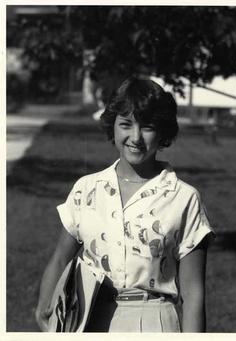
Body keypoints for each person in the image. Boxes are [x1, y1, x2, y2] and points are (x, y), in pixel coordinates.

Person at [35, 76, 215, 332]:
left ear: (163, 131)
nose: (136, 137)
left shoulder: (184, 198)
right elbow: (60, 258)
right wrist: (45, 308)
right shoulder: (87, 189)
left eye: (148, 127)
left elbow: (194, 292)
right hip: (87, 318)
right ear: (114, 127)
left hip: (154, 321)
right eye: (126, 124)